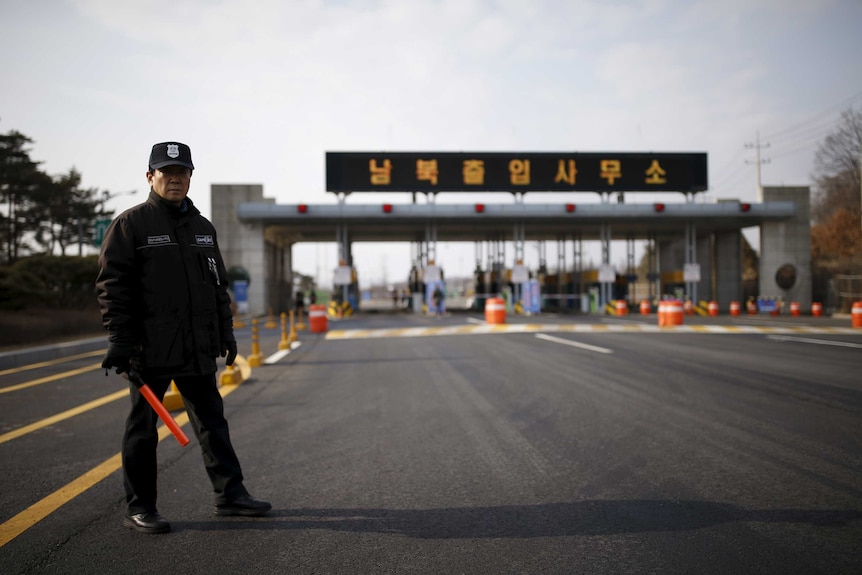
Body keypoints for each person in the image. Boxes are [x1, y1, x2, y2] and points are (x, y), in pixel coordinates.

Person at [96, 141, 270, 535]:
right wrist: (119, 340)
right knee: (142, 431)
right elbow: (112, 286)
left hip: (197, 346)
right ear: (150, 176)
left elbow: (217, 286)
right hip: (148, 349)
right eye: (166, 172)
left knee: (213, 422)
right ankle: (140, 507)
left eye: (182, 173)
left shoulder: (202, 228)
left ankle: (231, 494)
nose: (175, 179)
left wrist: (225, 332)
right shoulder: (131, 225)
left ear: (190, 177)